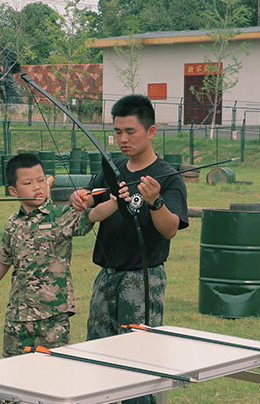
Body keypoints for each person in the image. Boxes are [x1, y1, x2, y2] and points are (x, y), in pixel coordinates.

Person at [69, 95, 189, 404]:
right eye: (117, 131)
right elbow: (92, 196)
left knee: (138, 364)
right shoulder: (114, 168)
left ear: (151, 132)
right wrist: (81, 197)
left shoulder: (167, 177)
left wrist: (155, 202)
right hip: (106, 277)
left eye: (130, 132)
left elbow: (171, 228)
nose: (122, 139)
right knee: (97, 357)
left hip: (142, 279)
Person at [0, 153, 120, 360]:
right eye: (28, 183)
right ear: (13, 191)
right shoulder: (13, 224)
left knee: (53, 373)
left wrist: (115, 203)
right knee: (13, 372)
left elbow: (93, 214)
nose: (37, 187)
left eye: (41, 180)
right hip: (18, 316)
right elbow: (4, 260)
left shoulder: (61, 216)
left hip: (53, 317)